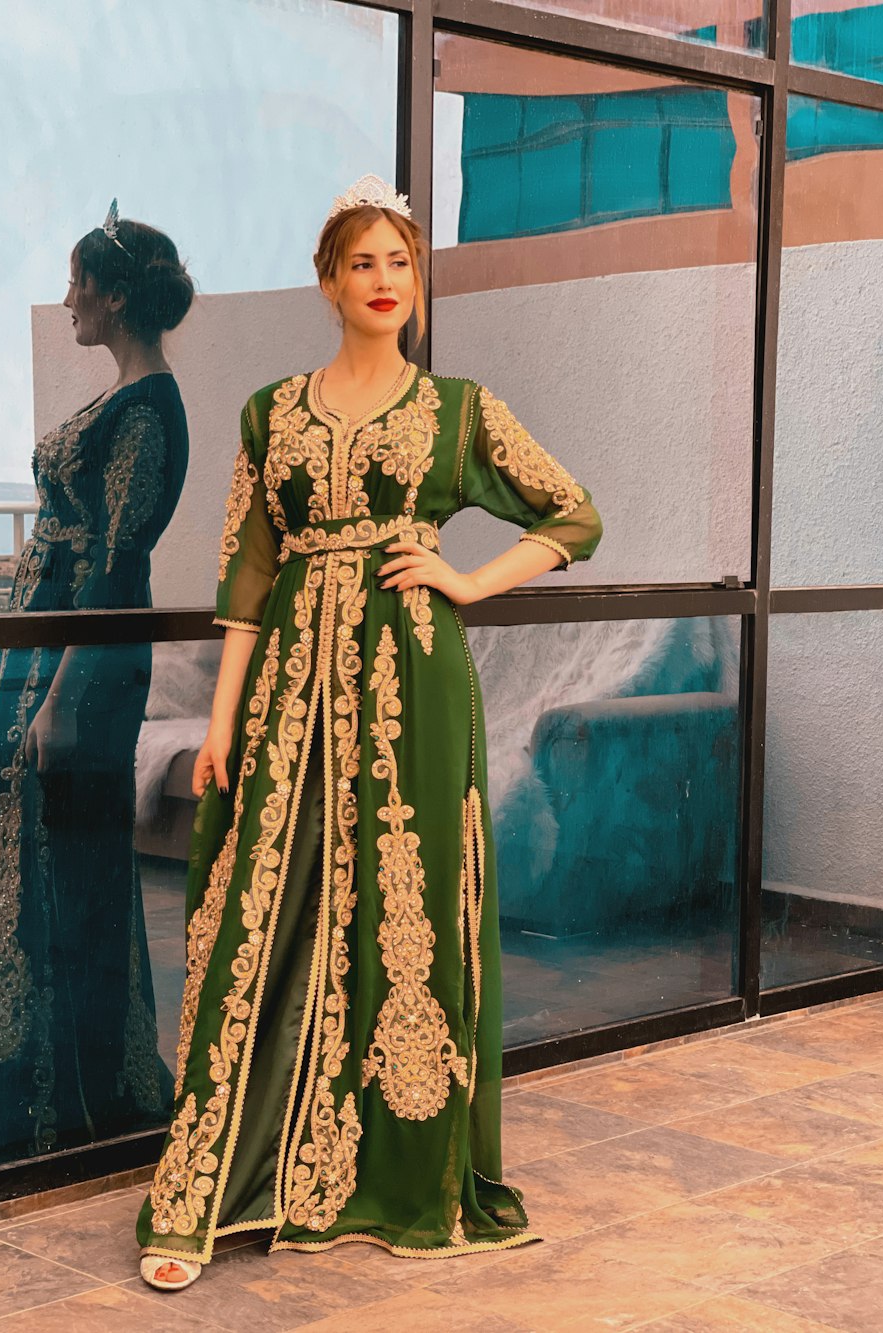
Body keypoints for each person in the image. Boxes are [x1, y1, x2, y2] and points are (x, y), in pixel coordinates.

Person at [137, 175, 602, 1289]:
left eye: (399, 262)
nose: (384, 281)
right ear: (328, 282)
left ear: (416, 278)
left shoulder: (459, 410)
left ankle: (396, 1178)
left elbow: (572, 513)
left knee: (408, 912)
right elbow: (247, 568)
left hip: (415, 686)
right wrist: (225, 713)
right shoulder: (270, 412)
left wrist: (468, 579)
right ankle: (219, 1179)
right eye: (362, 263)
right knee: (262, 903)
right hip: (291, 687)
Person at [0, 204, 193, 1173]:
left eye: (81, 282)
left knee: (62, 862)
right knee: (21, 849)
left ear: (116, 295)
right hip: (47, 661)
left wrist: (60, 703)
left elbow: (117, 567)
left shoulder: (152, 411)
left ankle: (61, 1094)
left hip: (82, 671)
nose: (70, 297)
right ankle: (15, 1081)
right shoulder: (128, 398)